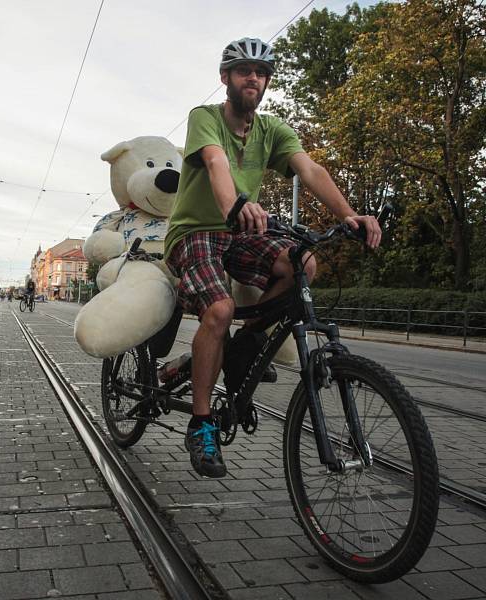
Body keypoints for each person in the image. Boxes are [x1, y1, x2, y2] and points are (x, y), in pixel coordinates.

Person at [163, 37, 382, 478]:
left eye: (261, 73)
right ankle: (201, 423)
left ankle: (246, 343)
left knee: (303, 264)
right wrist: (236, 204)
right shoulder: (205, 118)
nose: (254, 79)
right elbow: (216, 162)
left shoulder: (273, 130)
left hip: (243, 232)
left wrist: (348, 214)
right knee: (220, 308)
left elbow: (311, 170)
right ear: (226, 78)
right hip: (196, 232)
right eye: (244, 70)